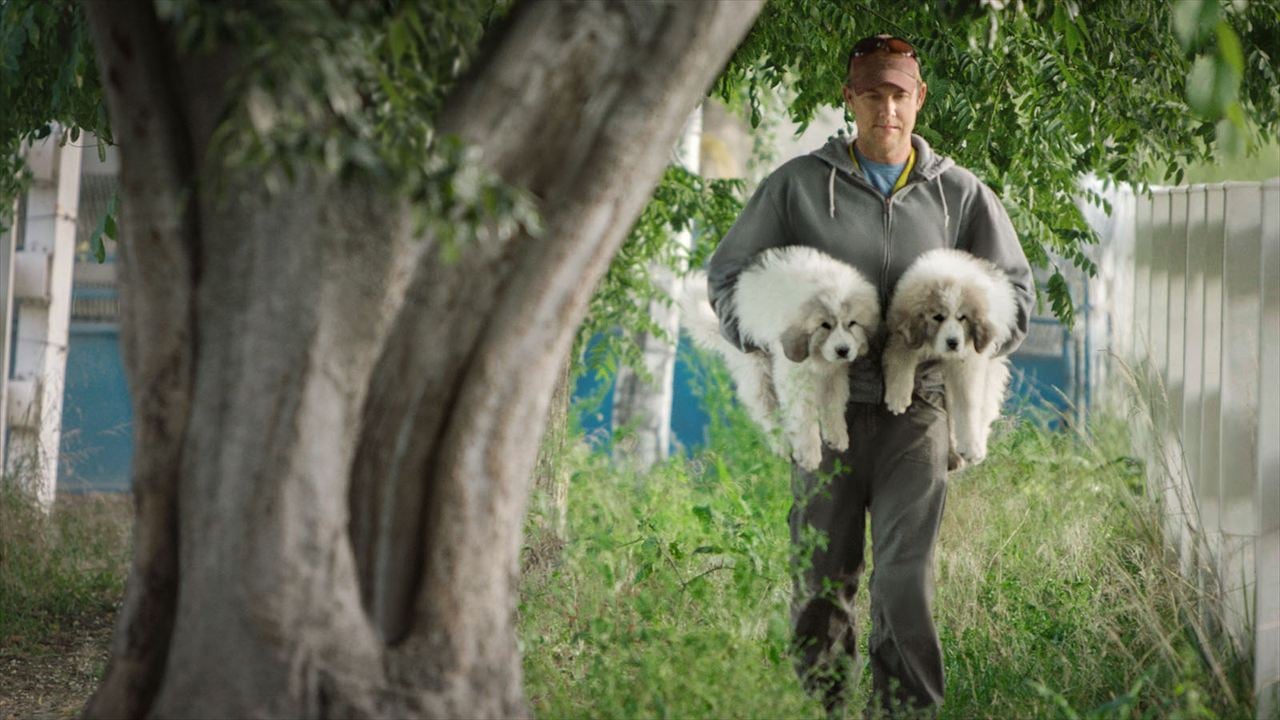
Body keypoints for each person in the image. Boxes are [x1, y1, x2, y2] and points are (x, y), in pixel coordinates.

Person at [705, 35, 1034, 716]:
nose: (888, 108)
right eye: (873, 94)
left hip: (918, 414)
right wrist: (775, 335)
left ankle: (904, 711)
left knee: (905, 583)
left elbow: (1014, 295)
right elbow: (729, 277)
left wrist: (962, 338)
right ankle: (823, 707)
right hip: (827, 414)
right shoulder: (797, 185)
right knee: (823, 580)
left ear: (919, 100)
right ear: (850, 99)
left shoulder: (961, 194)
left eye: (900, 95)